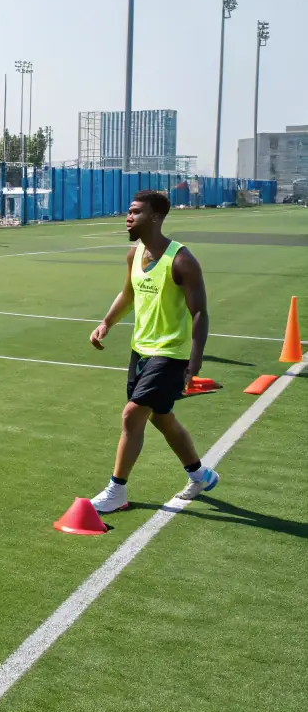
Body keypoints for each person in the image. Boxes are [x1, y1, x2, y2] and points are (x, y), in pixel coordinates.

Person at [87, 190, 219, 514]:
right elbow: (127, 293)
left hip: (170, 354)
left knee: (132, 416)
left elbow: (199, 312)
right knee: (162, 418)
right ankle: (199, 474)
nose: (128, 217)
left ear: (156, 217)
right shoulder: (135, 255)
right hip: (140, 351)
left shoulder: (182, 260)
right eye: (129, 211)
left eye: (136, 212)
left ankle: (116, 490)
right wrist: (106, 322)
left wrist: (195, 360)